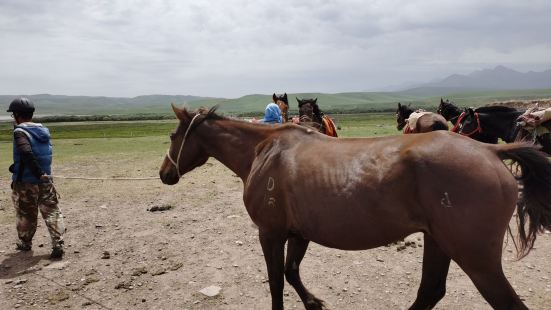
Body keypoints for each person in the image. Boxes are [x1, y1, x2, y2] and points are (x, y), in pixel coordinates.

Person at [7, 97, 66, 259]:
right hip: (46, 181)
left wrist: (36, 172)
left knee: (26, 214)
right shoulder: (43, 130)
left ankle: (25, 243)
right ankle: (58, 243)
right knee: (52, 211)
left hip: (27, 183)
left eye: (14, 115)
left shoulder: (20, 132)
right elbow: (36, 154)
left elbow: (26, 152)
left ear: (17, 114)